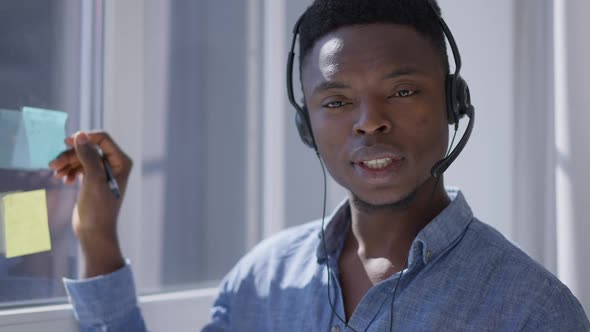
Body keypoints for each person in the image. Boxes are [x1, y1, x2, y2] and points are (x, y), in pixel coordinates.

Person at [49, 0, 590, 331]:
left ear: (453, 103)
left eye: (402, 91)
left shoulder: (533, 314)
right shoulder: (261, 281)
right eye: (335, 101)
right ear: (305, 125)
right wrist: (98, 239)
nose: (369, 122)